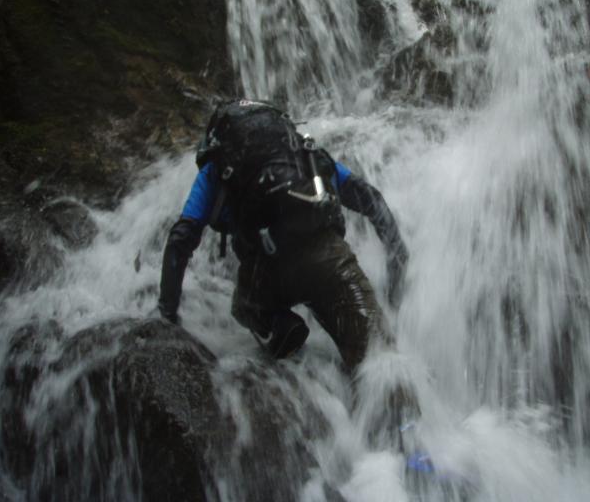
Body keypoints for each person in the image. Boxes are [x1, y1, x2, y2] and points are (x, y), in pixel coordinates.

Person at [157, 99, 408, 372]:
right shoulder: (303, 154)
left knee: (244, 306)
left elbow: (181, 239)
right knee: (380, 358)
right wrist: (397, 255)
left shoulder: (217, 167)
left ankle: (282, 330)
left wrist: (167, 313)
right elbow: (371, 199)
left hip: (268, 272)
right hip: (331, 260)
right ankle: (394, 401)